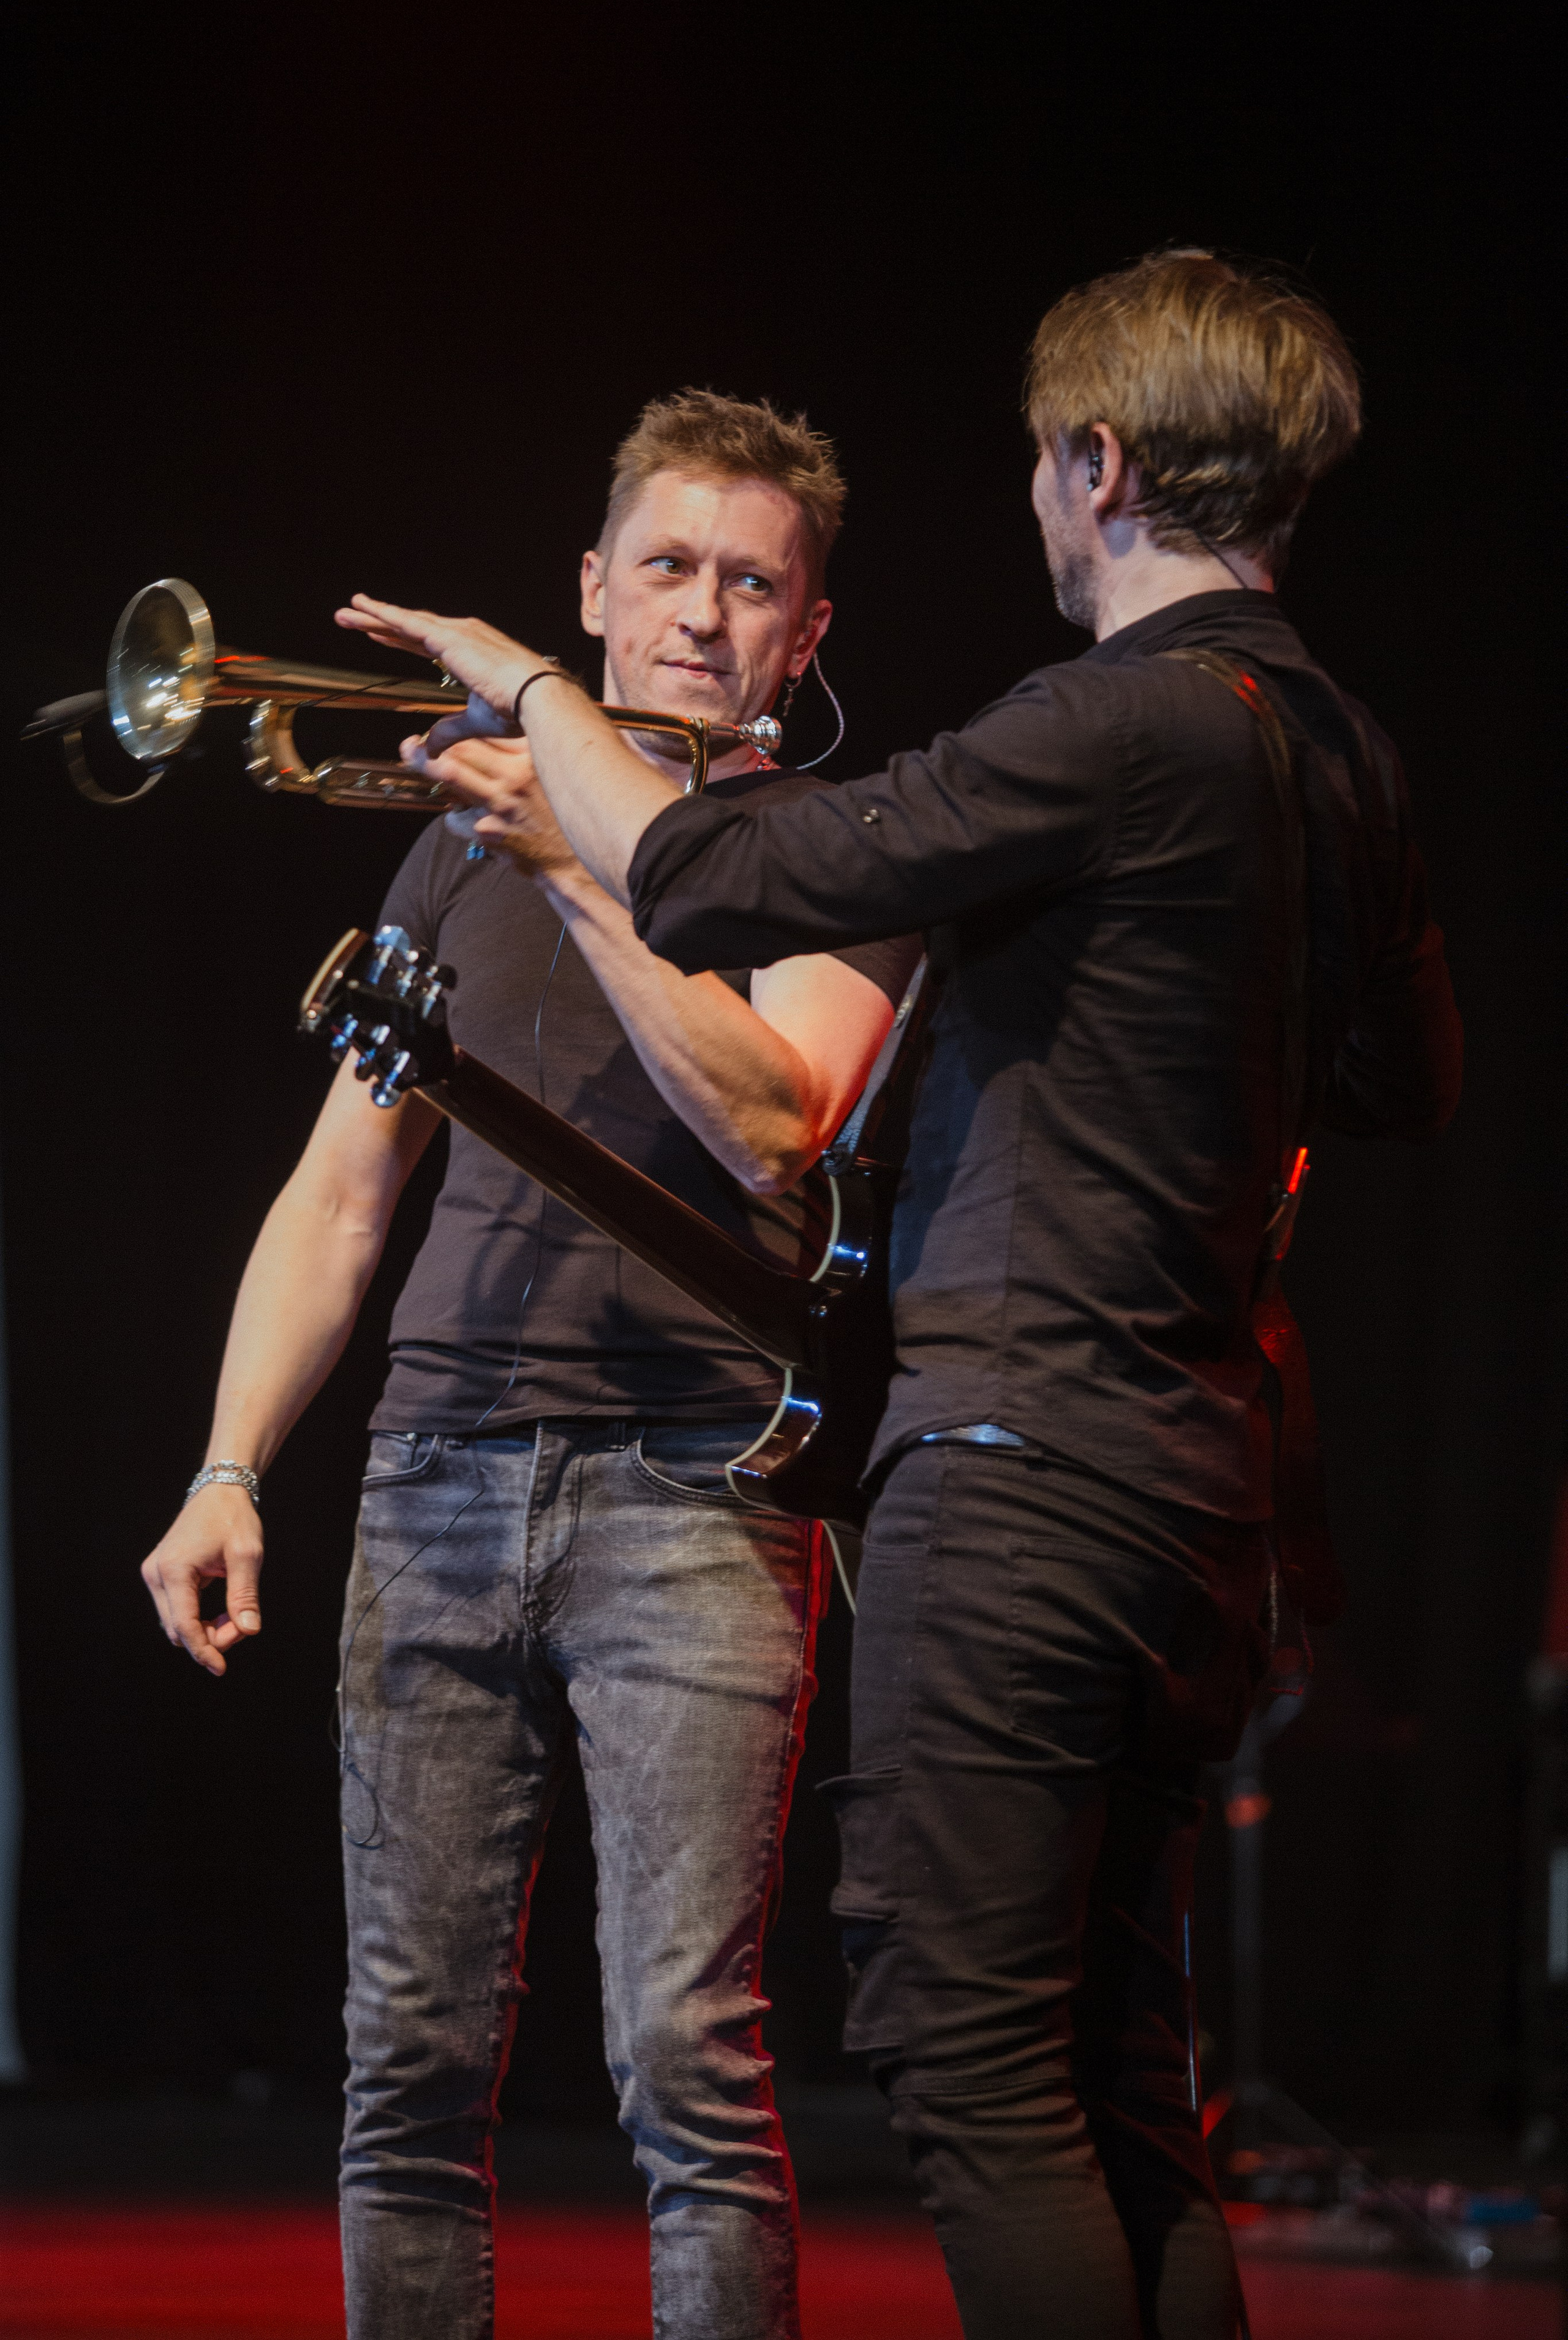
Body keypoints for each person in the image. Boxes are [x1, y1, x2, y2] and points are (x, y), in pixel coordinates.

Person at [338, 251, 1463, 2339]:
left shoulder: (1103, 720)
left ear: (1098, 461)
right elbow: (1411, 1077)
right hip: (1196, 1479)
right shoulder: (1342, 746)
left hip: (1026, 1468)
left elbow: (705, 881)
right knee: (1130, 2087)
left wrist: (531, 684)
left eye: (1047, 464)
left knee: (972, 2069)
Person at [141, 388, 921, 2340]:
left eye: (756, 584)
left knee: (690, 2074)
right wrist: (230, 1461)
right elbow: (336, 1199)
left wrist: (581, 855)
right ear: (590, 587)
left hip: (696, 1497)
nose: (700, 614)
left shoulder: (838, 846)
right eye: (664, 566)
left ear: (806, 636)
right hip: (433, 1479)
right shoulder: (448, 858)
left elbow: (777, 1114)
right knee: (403, 2071)